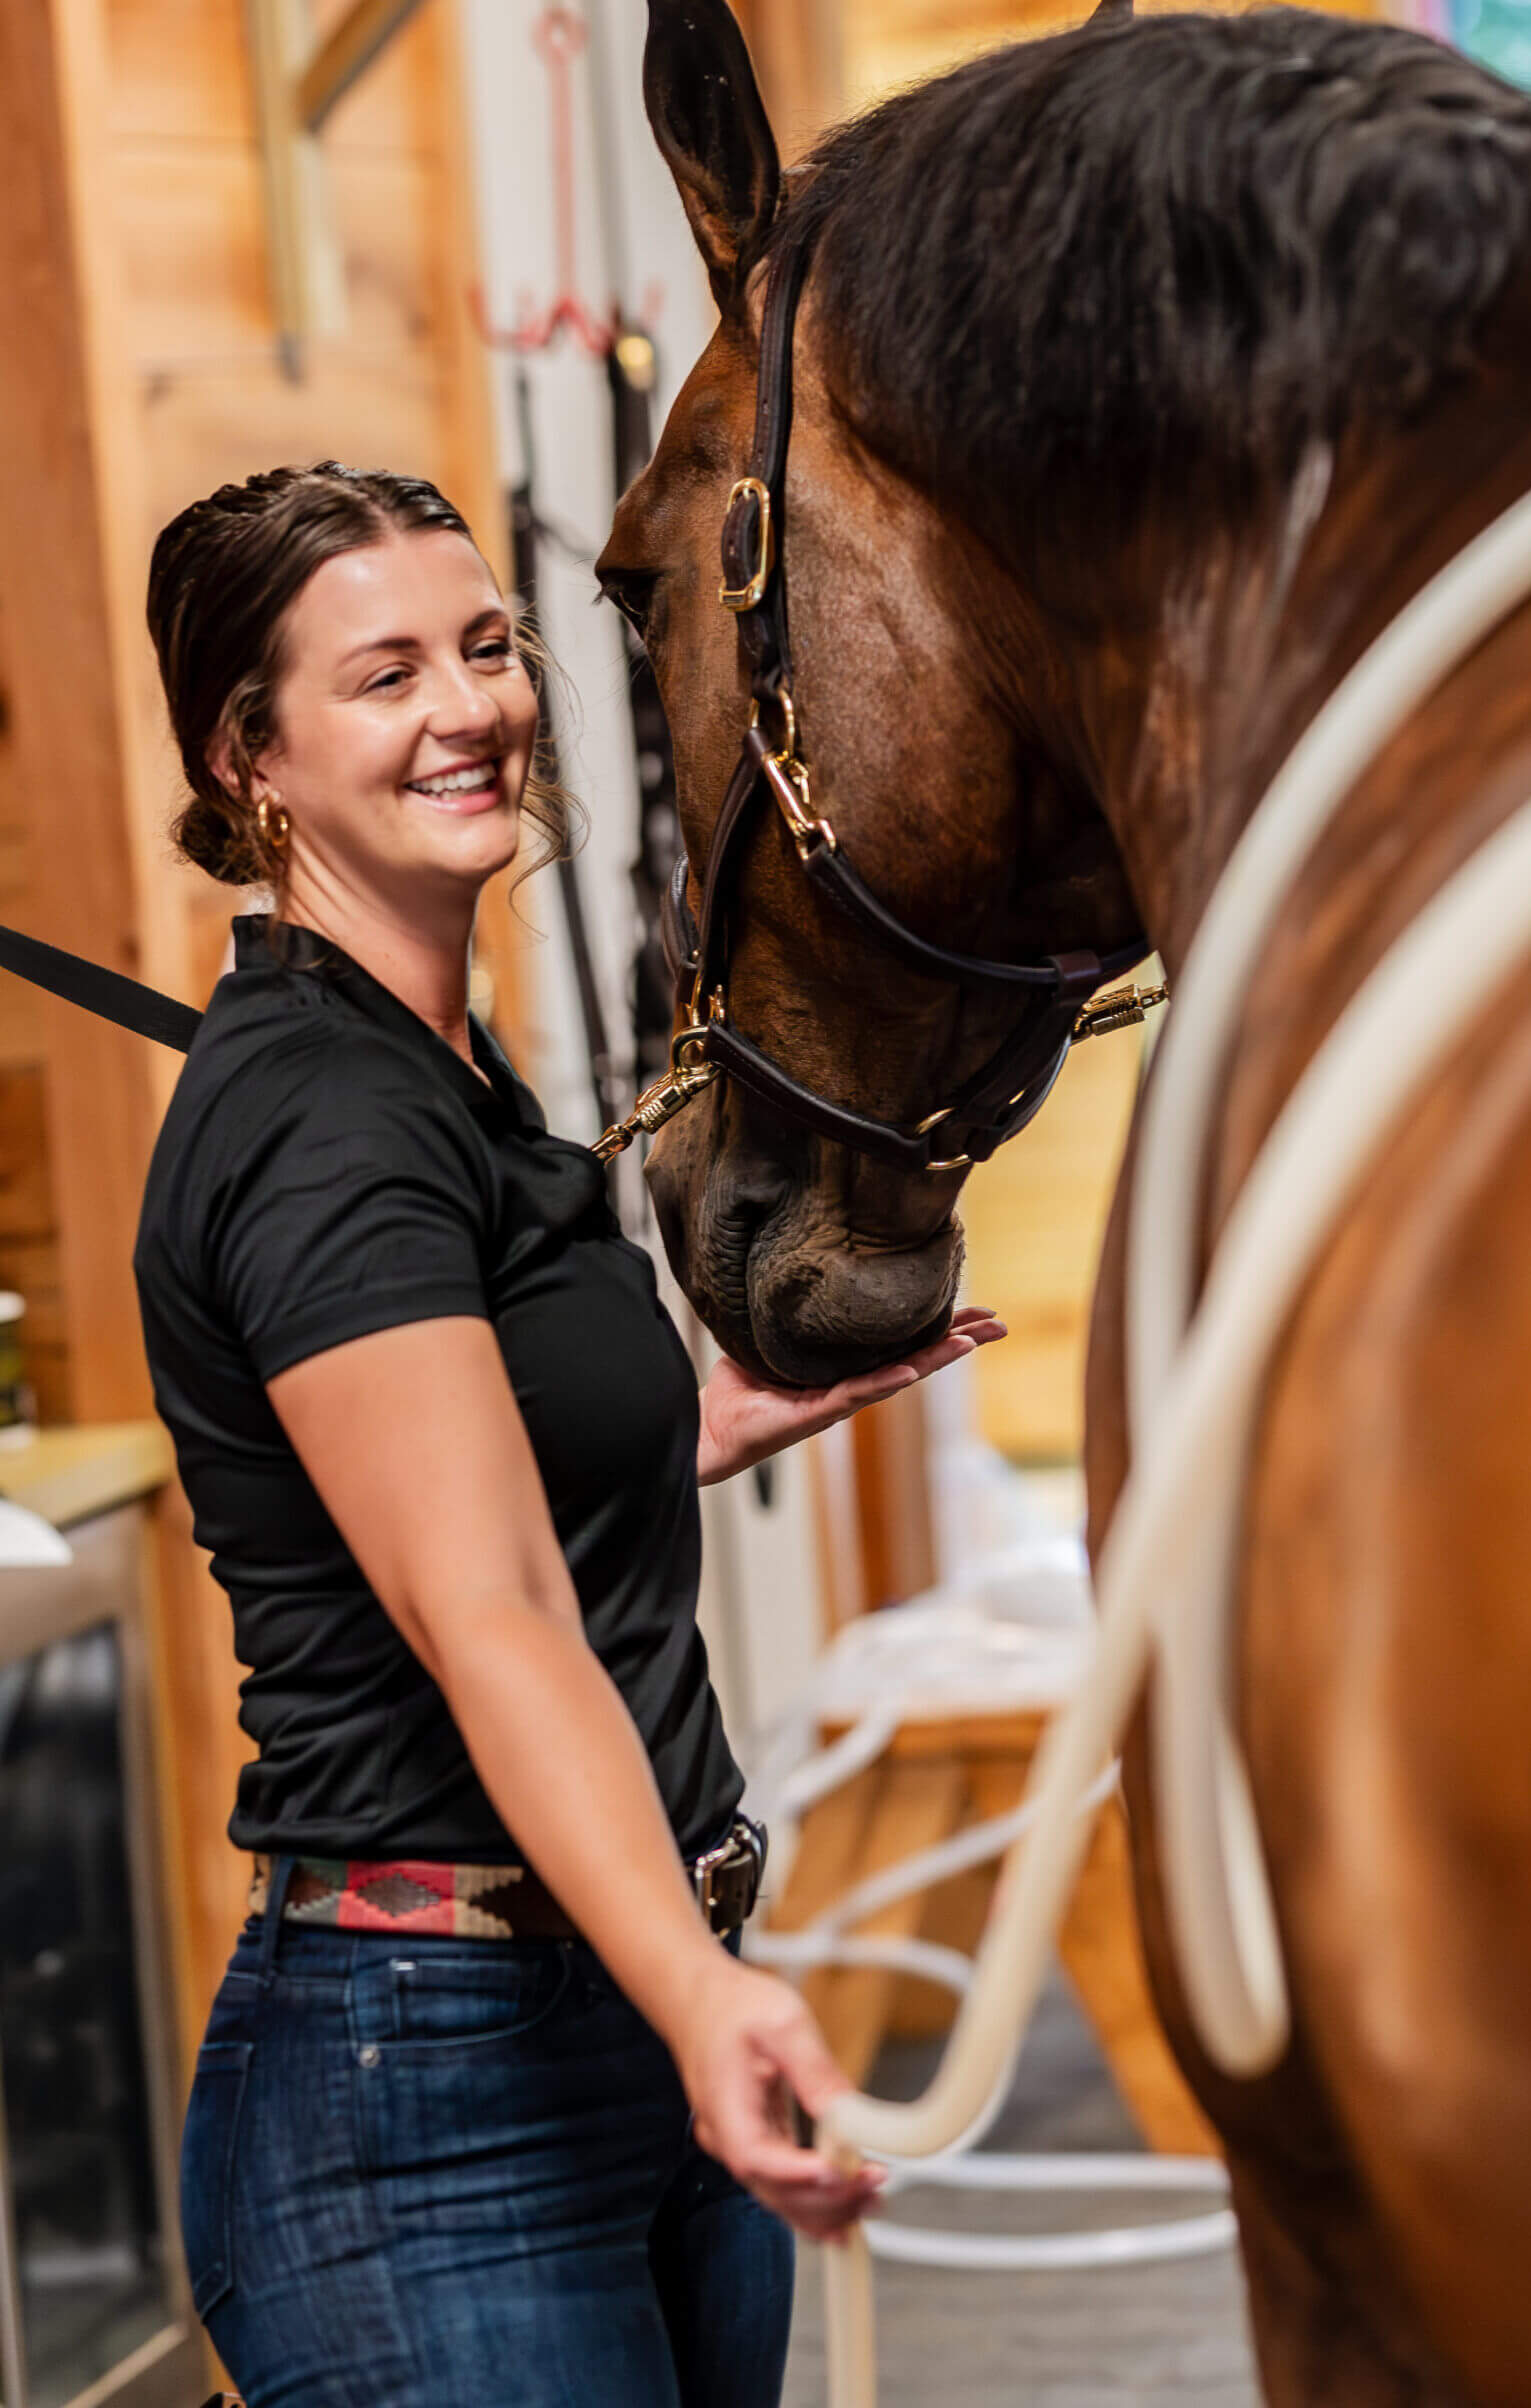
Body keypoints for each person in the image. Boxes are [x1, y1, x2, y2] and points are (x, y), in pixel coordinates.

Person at [131, 461, 1004, 2407]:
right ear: (249, 753)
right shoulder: (322, 1123)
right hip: (435, 2091)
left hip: (604, 2012)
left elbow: (448, 1469)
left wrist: (704, 1417)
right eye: (384, 675)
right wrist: (709, 1992)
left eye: (487, 644)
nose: (471, 709)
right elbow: (489, 1606)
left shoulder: (441, 1068)